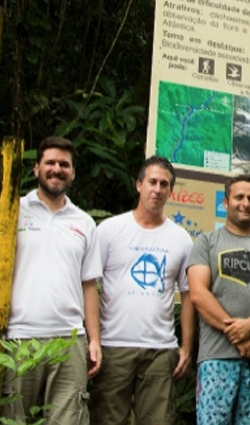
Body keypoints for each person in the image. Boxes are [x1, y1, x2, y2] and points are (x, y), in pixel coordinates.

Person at [1, 136, 102, 425]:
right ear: (36, 169)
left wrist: (94, 340)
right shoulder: (12, 210)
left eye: (64, 165)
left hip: (69, 341)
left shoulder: (84, 222)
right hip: (18, 338)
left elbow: (88, 285)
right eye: (50, 163)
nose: (57, 169)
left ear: (73, 172)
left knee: (68, 420)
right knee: (14, 419)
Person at [89, 156, 195, 424]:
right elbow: (88, 284)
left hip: (160, 349)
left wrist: (186, 346)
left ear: (171, 191)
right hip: (114, 346)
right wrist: (94, 339)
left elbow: (188, 294)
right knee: (107, 420)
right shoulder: (110, 230)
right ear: (139, 185)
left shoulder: (181, 238)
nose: (157, 189)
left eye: (164, 184)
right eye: (152, 182)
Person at [188, 174, 250, 425]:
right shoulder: (206, 242)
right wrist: (238, 335)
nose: (246, 203)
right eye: (239, 197)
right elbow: (198, 294)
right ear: (225, 202)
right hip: (216, 358)